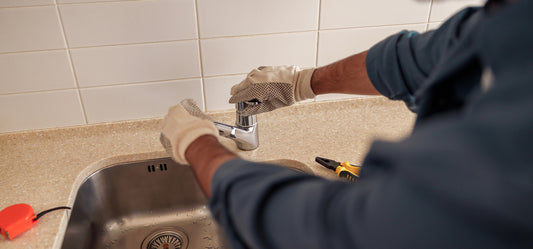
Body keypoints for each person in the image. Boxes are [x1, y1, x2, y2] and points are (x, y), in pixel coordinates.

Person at [160, 0, 533, 248]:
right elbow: (427, 57)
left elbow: (330, 229)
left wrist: (196, 143)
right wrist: (302, 83)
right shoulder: (517, 17)